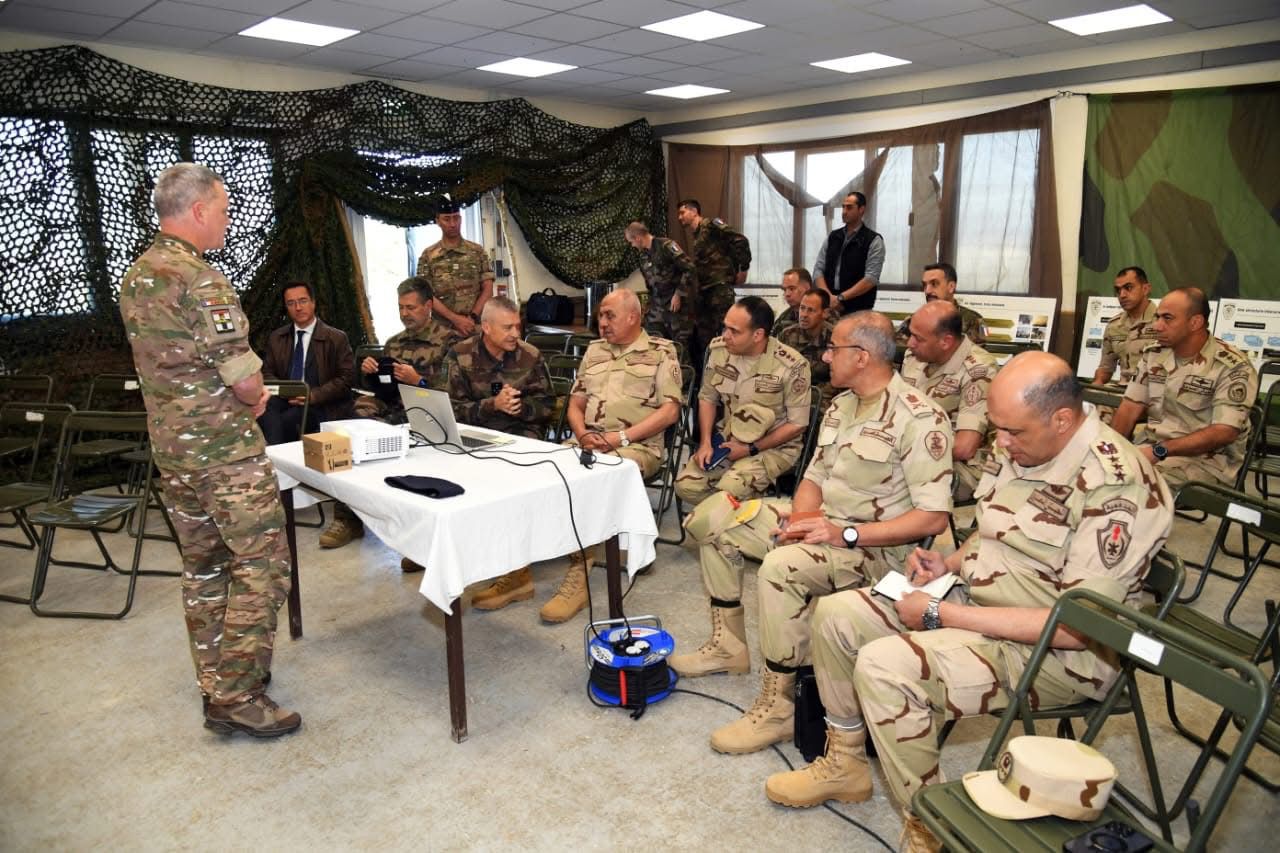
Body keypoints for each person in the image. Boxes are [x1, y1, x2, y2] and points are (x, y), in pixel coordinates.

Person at [761, 352, 1173, 853]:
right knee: (837, 615)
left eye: (1012, 432)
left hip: (1058, 653)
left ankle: (930, 828)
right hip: (978, 600)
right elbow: (998, 529)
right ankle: (846, 762)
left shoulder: (1118, 483)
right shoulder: (1028, 442)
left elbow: (1077, 627)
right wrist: (950, 564)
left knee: (887, 666)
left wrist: (941, 614)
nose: (1001, 443)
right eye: (998, 429)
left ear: (1063, 420)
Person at [671, 312, 952, 757]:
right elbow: (814, 477)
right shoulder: (842, 406)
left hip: (878, 551)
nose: (825, 356)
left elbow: (933, 519)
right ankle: (728, 647)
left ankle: (780, 703)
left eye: (833, 349)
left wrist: (845, 534)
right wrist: (801, 522)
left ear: (861, 357)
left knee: (781, 567)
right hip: (825, 525)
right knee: (715, 517)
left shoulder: (920, 418)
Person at [118, 162, 298, 737]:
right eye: (222, 209)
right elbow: (242, 378)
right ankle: (238, 695)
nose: (226, 219)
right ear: (198, 210)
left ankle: (217, 682)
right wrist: (256, 395)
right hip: (224, 456)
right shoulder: (201, 279)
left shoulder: (138, 276)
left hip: (174, 456)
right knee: (262, 564)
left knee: (204, 567)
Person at [541, 289, 683, 623]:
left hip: (638, 447)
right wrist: (582, 434)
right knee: (547, 467)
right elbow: (576, 403)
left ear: (633, 317)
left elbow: (670, 412)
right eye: (600, 316)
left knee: (599, 475)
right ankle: (521, 568)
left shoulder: (661, 351)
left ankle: (580, 572)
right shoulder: (594, 351)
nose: (602, 323)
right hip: (589, 441)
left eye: (609, 316)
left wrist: (620, 437)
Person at [321, 276, 447, 563]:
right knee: (352, 422)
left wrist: (419, 380)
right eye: (401, 307)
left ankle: (418, 534)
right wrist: (371, 373)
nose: (405, 313)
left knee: (392, 430)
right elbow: (383, 388)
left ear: (428, 306)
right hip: (393, 406)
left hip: (427, 409)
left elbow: (456, 391)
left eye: (411, 307)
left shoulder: (450, 342)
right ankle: (348, 517)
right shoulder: (394, 343)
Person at [443, 296, 555, 610]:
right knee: (440, 468)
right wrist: (491, 405)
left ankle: (517, 574)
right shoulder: (460, 355)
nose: (515, 333)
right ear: (486, 327)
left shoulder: (530, 356)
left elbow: (548, 406)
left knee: (507, 475)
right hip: (474, 434)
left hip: (520, 435)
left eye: (517, 326)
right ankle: (450, 550)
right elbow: (448, 411)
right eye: (507, 327)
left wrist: (520, 408)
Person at [1110, 286, 1258, 489]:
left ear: (1195, 322)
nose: (1157, 326)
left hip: (1206, 462)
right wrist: (1111, 450)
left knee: (1131, 485)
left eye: (1167, 318)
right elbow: (1129, 408)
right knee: (1095, 473)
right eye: (1157, 317)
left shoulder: (1231, 366)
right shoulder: (1155, 353)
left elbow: (1224, 431)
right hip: (1150, 450)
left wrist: (1160, 451)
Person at [674, 296, 810, 509]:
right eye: (725, 327)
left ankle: (736, 518)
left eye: (734, 331)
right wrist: (706, 442)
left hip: (775, 447)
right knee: (686, 486)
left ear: (758, 335)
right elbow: (707, 397)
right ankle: (733, 513)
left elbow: (797, 424)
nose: (725, 335)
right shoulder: (720, 351)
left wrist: (751, 449)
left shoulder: (791, 365)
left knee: (729, 490)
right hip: (729, 438)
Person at [900, 300, 998, 501]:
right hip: (910, 452)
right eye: (911, 334)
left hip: (961, 466)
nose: (910, 344)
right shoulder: (914, 356)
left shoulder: (979, 369)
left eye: (918, 338)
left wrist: (903, 452)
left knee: (889, 485)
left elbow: (964, 447)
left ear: (945, 341)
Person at [257, 281, 356, 444]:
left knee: (288, 420)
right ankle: (274, 454)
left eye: (302, 301)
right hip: (285, 398)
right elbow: (267, 372)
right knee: (263, 409)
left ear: (313, 302)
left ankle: (277, 455)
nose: (298, 308)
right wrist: (286, 392)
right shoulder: (277, 338)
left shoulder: (336, 338)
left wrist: (313, 395)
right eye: (291, 303)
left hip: (321, 403)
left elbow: (346, 379)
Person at [675, 198, 751, 373]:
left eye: (682, 212)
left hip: (719, 289)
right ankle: (709, 375)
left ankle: (732, 373)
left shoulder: (711, 225)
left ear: (694, 211)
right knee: (705, 338)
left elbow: (740, 240)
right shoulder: (697, 234)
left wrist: (743, 268)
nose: (680, 217)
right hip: (705, 291)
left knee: (728, 332)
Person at [416, 196, 495, 349]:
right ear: (438, 221)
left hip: (474, 328)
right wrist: (456, 319)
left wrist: (471, 317)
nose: (453, 224)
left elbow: (488, 288)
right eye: (447, 219)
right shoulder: (428, 256)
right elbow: (426, 295)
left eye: (456, 218)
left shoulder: (477, 251)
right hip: (442, 332)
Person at [625, 220, 695, 358]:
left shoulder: (666, 246)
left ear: (638, 238)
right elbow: (651, 285)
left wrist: (679, 294)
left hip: (676, 308)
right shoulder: (643, 256)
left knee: (680, 349)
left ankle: (683, 372)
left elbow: (689, 269)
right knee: (652, 346)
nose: (632, 245)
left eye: (631, 242)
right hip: (657, 309)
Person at [814, 192, 883, 315]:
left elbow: (871, 278)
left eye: (849, 207)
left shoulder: (873, 240)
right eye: (843, 207)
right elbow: (818, 270)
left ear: (861, 209)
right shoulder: (833, 237)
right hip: (829, 306)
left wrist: (841, 298)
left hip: (858, 308)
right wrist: (829, 297)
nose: (844, 211)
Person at [1093, 266, 1157, 387]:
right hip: (1123, 389)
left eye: (1128, 288)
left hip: (1153, 391)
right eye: (1118, 290)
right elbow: (1106, 367)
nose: (1122, 295)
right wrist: (1098, 382)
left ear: (1145, 289)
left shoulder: (1163, 322)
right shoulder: (1114, 325)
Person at [894, 262, 985, 345]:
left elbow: (979, 352)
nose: (927, 291)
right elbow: (898, 347)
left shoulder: (975, 320)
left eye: (934, 284)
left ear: (951, 287)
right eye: (924, 285)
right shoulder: (914, 319)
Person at [777, 288, 835, 411]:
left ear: (825, 313)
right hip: (790, 391)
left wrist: (809, 394)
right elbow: (777, 370)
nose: (804, 314)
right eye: (802, 308)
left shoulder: (835, 338)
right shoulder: (787, 335)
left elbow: (838, 379)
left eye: (811, 310)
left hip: (822, 396)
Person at [773, 268, 812, 335]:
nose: (787, 294)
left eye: (792, 289)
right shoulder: (784, 318)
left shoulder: (822, 315)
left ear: (807, 288)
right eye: (784, 290)